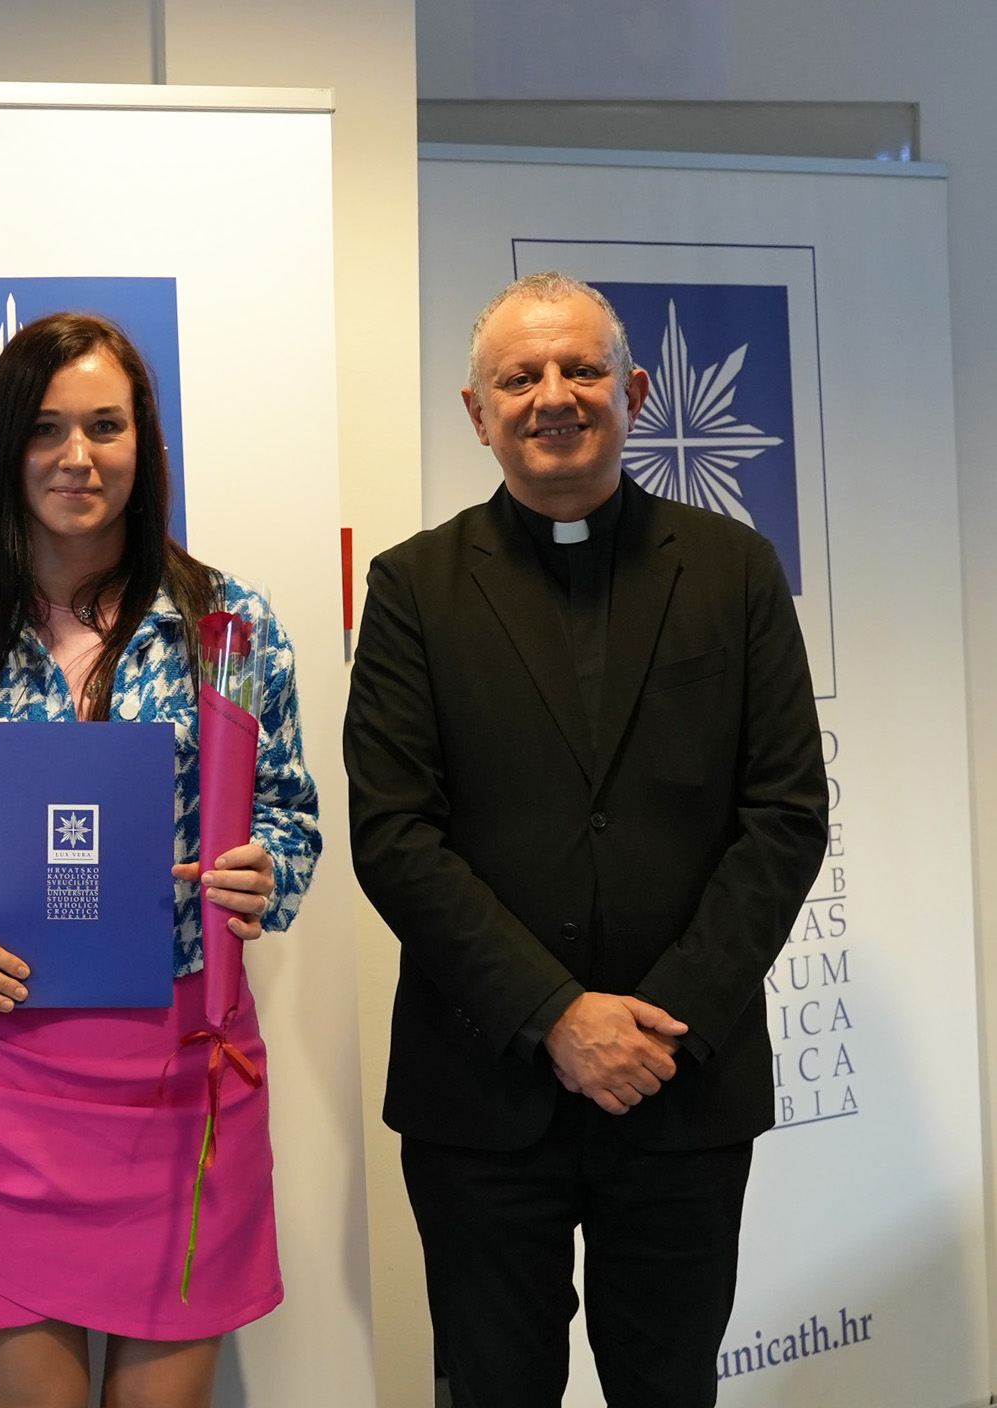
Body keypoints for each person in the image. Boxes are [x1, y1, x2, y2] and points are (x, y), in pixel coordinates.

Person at [344, 272, 829, 1407]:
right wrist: (555, 1017)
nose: (552, 396)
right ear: (476, 412)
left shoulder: (734, 571)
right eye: (519, 377)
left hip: (679, 1081)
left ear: (635, 391)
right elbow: (394, 834)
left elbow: (784, 814)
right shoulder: (412, 588)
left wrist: (663, 1021)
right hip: (481, 1093)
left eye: (581, 369)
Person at [0, 312, 321, 1408]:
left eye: (105, 425)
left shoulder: (227, 625)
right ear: (5, 447)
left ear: (144, 442)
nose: (77, 456)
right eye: (46, 429)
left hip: (183, 1067)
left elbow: (287, 815)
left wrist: (265, 871)